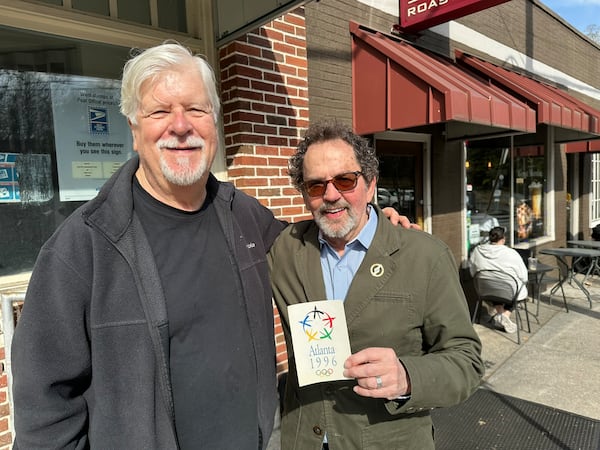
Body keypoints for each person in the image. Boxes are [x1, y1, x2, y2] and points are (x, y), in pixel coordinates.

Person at [10, 43, 414, 449]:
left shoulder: (245, 217)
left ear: (215, 124)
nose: (181, 126)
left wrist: (375, 225)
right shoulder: (83, 247)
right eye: (159, 111)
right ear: (134, 131)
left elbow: (316, 244)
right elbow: (45, 412)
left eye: (196, 109)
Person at [268, 120, 484, 450]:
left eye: (345, 180)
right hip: (304, 439)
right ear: (304, 195)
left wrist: (408, 376)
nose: (330, 195)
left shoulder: (425, 257)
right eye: (315, 186)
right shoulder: (286, 249)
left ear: (370, 185)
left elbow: (466, 361)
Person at [469, 226, 529, 334]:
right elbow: (524, 276)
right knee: (517, 289)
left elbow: (472, 271)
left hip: (485, 290)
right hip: (508, 291)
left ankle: (500, 314)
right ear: (503, 239)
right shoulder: (511, 253)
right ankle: (504, 315)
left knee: (495, 286)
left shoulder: (477, 250)